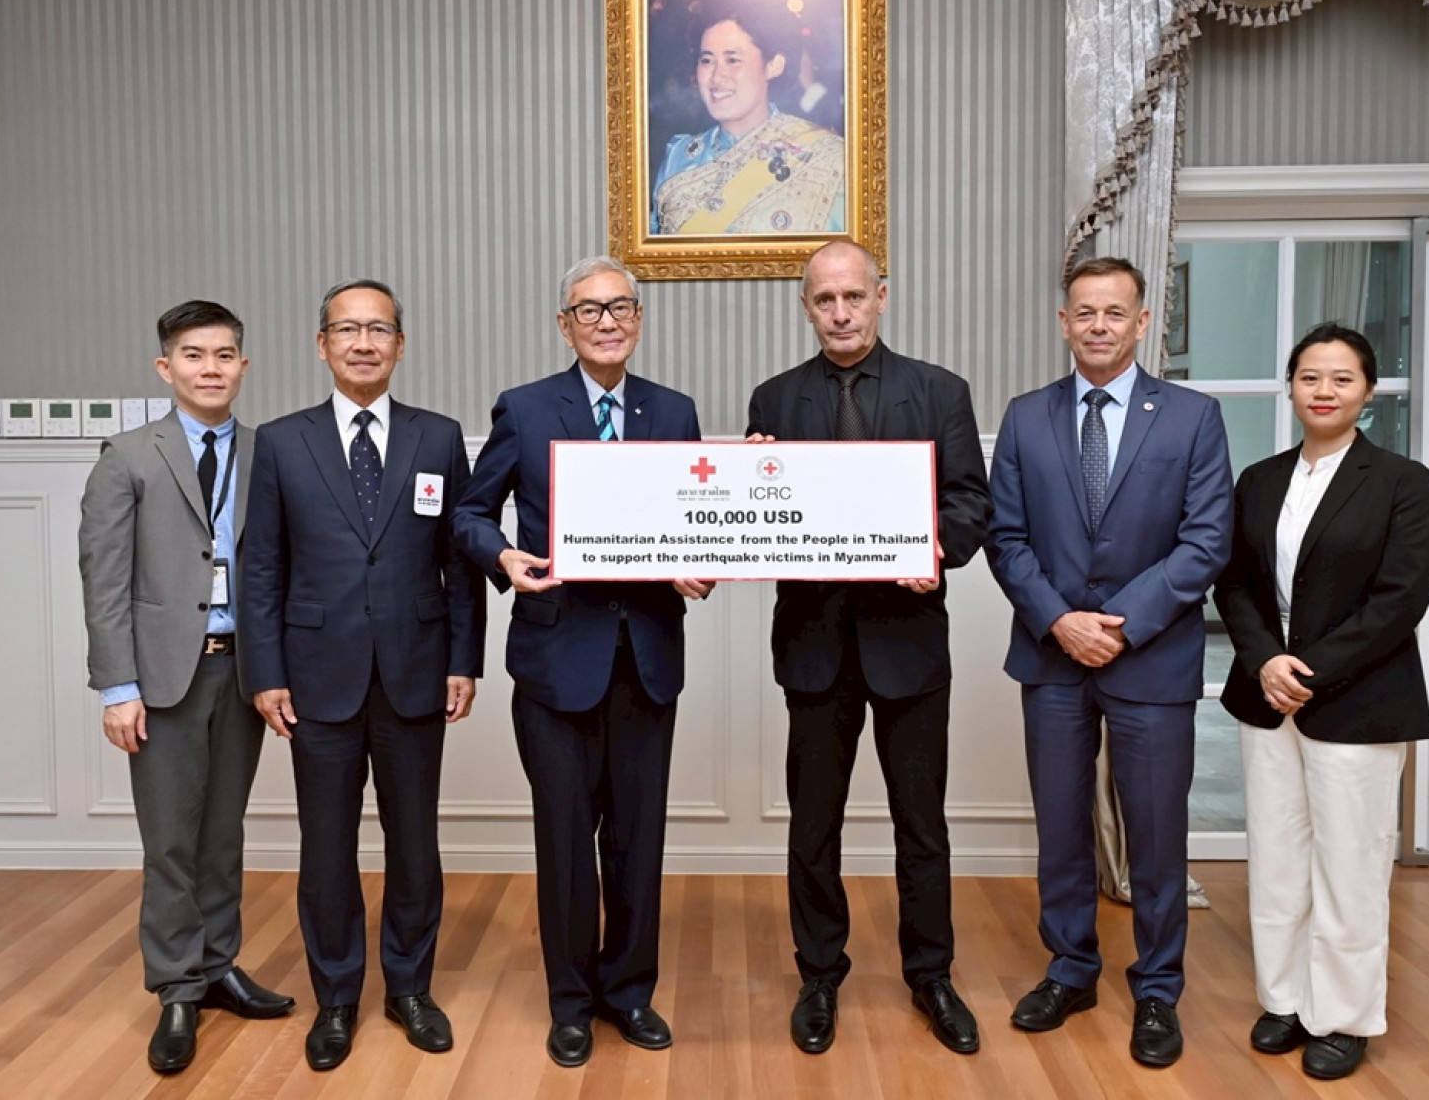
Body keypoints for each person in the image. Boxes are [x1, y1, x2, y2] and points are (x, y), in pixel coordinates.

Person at [452, 256, 710, 1069]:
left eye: (620, 307)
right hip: (556, 656)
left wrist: (701, 558)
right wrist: (503, 556)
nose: (607, 321)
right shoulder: (527, 408)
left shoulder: (674, 411)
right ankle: (570, 1003)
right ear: (564, 325)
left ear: (639, 320)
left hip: (647, 657)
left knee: (637, 837)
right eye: (589, 309)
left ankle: (628, 992)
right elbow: (468, 513)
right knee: (565, 840)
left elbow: (695, 517)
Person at [985, 256, 1233, 1068]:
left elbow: (1206, 542)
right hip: (1053, 658)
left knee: (1155, 835)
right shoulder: (1025, 418)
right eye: (1084, 312)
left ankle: (1157, 988)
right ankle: (1071, 969)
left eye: (1114, 312)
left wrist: (1119, 627)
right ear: (1064, 322)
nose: (1098, 325)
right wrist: (1061, 622)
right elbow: (1006, 538)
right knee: (1061, 828)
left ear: (1141, 322)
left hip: (1151, 660)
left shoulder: (1194, 418)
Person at [745, 239, 991, 1056]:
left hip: (908, 644)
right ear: (806, 307)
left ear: (882, 296)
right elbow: (761, 522)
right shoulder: (774, 398)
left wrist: (935, 550)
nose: (841, 313)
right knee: (814, 824)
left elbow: (969, 504)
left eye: (854, 296)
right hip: (814, 646)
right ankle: (819, 975)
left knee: (921, 824)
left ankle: (932, 975)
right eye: (825, 300)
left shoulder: (940, 391)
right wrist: (750, 485)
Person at [240, 279, 485, 1071]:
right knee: (326, 848)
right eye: (347, 329)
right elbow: (262, 565)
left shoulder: (437, 437)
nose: (363, 343)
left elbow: (459, 562)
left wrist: (464, 658)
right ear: (322, 345)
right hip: (317, 677)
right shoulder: (282, 442)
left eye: (379, 329)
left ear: (400, 346)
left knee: (415, 843)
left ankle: (410, 988)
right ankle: (337, 996)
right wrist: (265, 670)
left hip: (416, 670)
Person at [1213, 324, 1429, 1081]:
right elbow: (1234, 582)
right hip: (1266, 693)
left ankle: (1342, 1017)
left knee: (1351, 866)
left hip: (1360, 700)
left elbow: (1399, 600)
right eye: (1310, 376)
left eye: (1342, 379)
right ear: (1291, 387)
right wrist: (1264, 660)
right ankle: (1284, 1000)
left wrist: (1305, 670)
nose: (1324, 390)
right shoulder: (1260, 479)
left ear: (1368, 391)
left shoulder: (1403, 481)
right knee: (1277, 858)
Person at [78, 300, 292, 1074]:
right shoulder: (128, 456)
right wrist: (118, 687)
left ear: (244, 365)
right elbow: (104, 580)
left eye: (225, 355)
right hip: (163, 677)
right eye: (194, 356)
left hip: (242, 672)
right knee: (171, 839)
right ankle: (176, 986)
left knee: (224, 833)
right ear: (165, 367)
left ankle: (218, 964)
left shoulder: (270, 453)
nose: (211, 369)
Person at [651, 0, 846, 236]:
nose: (717, 77)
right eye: (707, 61)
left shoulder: (826, 156)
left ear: (773, 65)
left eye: (733, 60)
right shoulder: (678, 156)